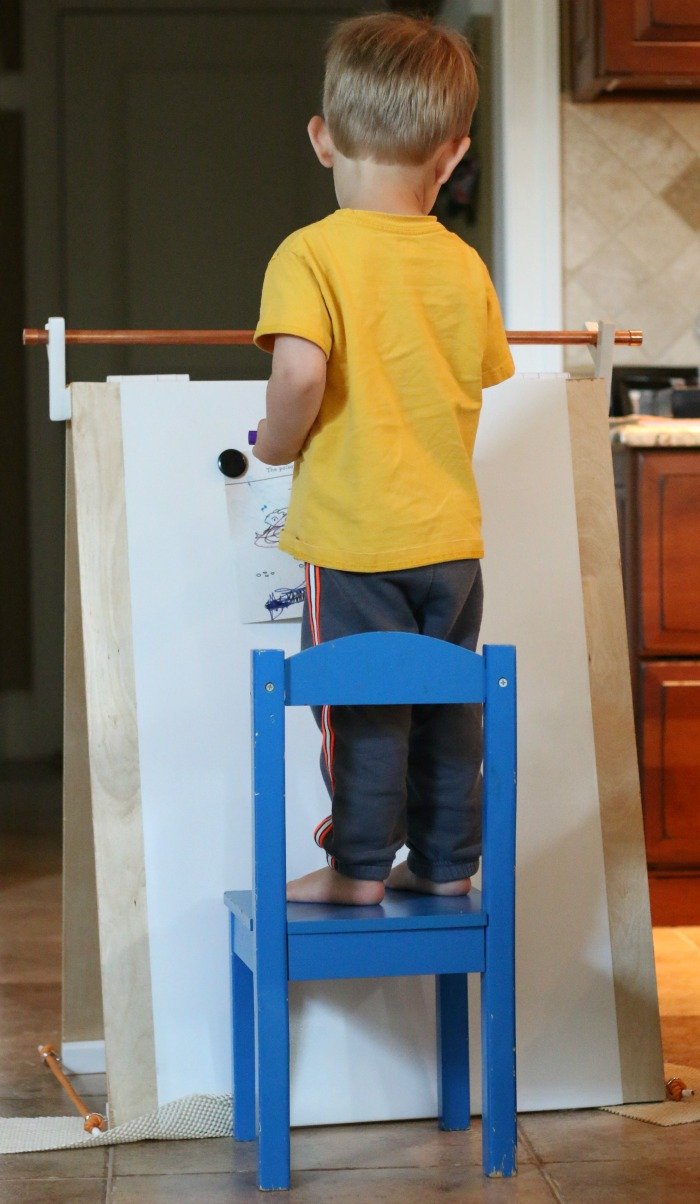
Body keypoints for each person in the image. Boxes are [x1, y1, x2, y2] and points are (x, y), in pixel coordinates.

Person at [252, 12, 514, 906]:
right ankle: (446, 867)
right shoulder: (465, 266)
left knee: (360, 706)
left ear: (322, 140)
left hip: (357, 538)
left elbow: (298, 373)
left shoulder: (310, 252)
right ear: (451, 156)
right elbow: (473, 375)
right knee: (448, 711)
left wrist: (275, 446)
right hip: (451, 541)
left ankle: (359, 868)